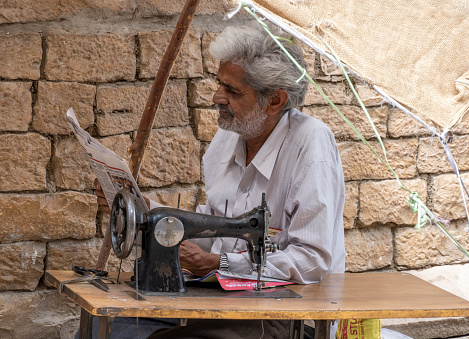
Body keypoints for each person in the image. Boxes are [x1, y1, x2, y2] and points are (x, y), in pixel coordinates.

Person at [93, 22, 345, 339]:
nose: (216, 97)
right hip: (223, 302)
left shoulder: (311, 146)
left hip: (287, 316)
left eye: (232, 91)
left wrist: (219, 263)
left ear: (276, 101)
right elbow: (212, 226)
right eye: (219, 84)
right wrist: (143, 210)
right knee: (108, 329)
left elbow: (311, 260)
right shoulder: (229, 137)